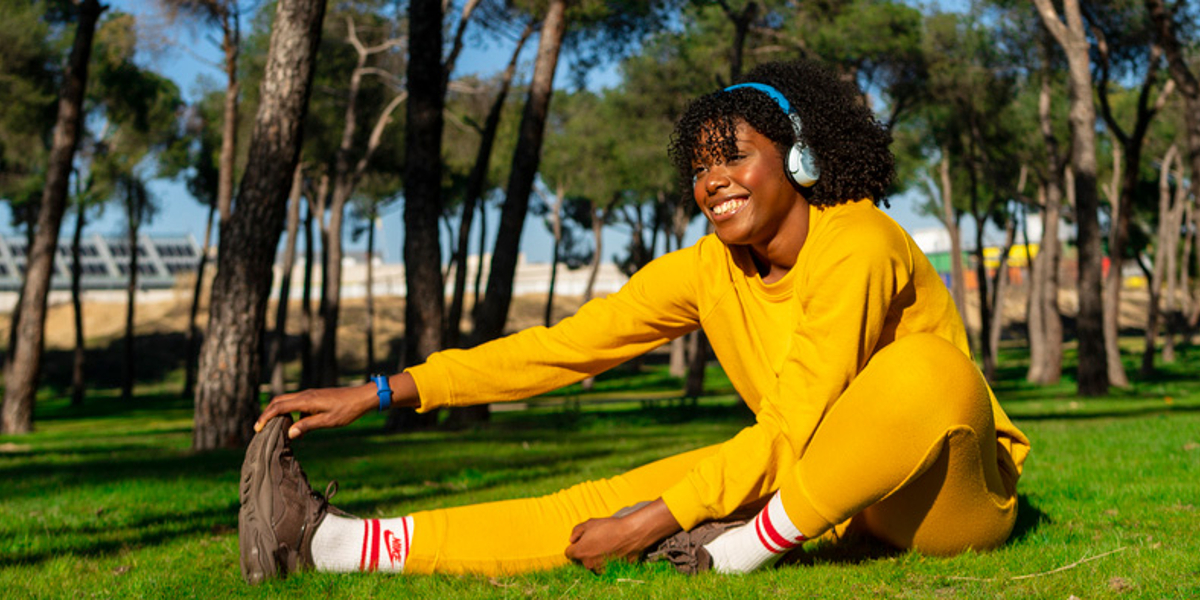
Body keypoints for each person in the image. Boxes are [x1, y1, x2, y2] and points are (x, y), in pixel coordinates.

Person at [237, 59, 1030, 584]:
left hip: (948, 500)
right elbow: (559, 351)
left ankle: (734, 553)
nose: (714, 180)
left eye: (736, 156)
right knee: (596, 505)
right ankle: (335, 546)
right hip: (814, 500)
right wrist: (384, 392)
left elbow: (793, 428)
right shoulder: (704, 269)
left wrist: (669, 516)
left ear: (797, 160)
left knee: (926, 371)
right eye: (699, 167)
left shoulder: (859, 240)